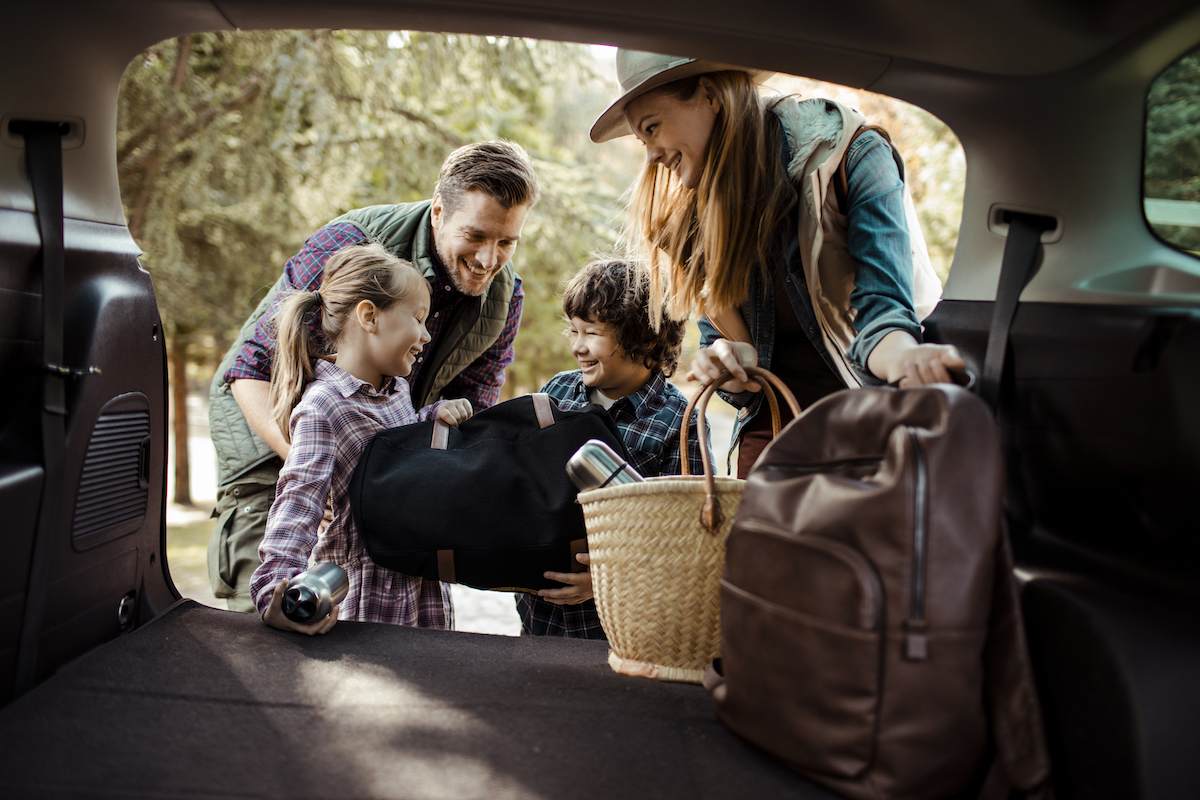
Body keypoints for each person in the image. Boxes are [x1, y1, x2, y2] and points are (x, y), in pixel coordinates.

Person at [591, 50, 965, 477]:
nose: (652, 156)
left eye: (652, 128)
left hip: (874, 418)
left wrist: (909, 362)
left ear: (710, 95)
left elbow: (885, 317)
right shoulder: (693, 223)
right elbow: (738, 366)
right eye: (643, 141)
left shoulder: (852, 155)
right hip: (776, 438)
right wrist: (727, 362)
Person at [207, 140, 539, 612]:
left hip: (377, 465)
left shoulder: (505, 300)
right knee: (271, 623)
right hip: (274, 442)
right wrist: (325, 475)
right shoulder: (350, 240)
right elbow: (250, 369)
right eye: (477, 236)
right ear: (439, 210)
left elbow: (470, 422)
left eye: (507, 242)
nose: (489, 259)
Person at [250, 243, 473, 634]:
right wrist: (275, 592)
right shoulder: (324, 406)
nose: (425, 335)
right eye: (418, 319)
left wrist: (430, 419)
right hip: (368, 600)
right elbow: (298, 504)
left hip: (421, 592)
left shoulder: (396, 391)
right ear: (369, 316)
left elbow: (394, 452)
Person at [517, 258, 712, 639]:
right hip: (537, 618)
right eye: (572, 331)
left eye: (591, 333)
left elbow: (684, 537)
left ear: (646, 338)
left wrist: (604, 582)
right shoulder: (557, 392)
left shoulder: (681, 422)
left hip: (617, 626)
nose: (577, 346)